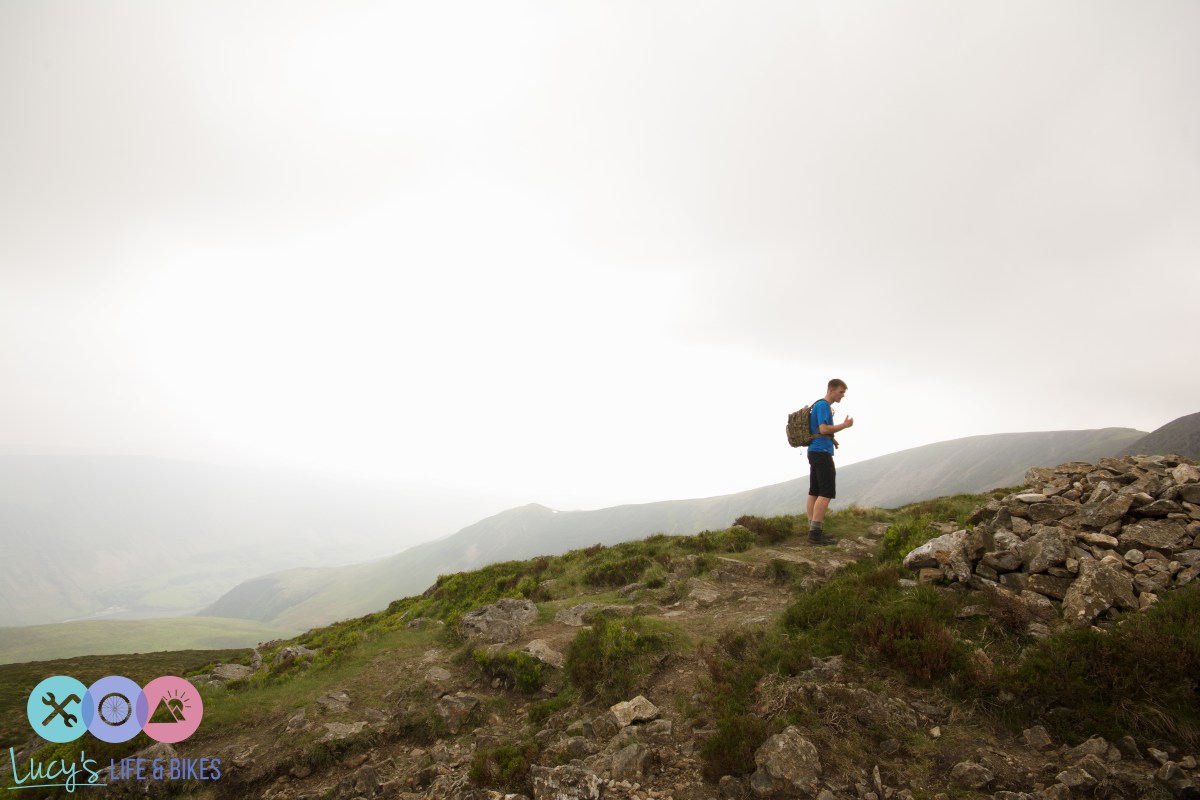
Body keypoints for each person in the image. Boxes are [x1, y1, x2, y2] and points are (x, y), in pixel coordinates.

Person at [806, 378, 854, 545]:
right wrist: (845, 425)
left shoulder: (818, 405)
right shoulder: (824, 406)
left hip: (813, 451)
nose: (842, 396)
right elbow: (824, 429)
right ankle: (815, 534)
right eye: (841, 392)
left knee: (814, 491)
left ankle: (813, 530)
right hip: (822, 451)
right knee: (825, 493)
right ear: (831, 390)